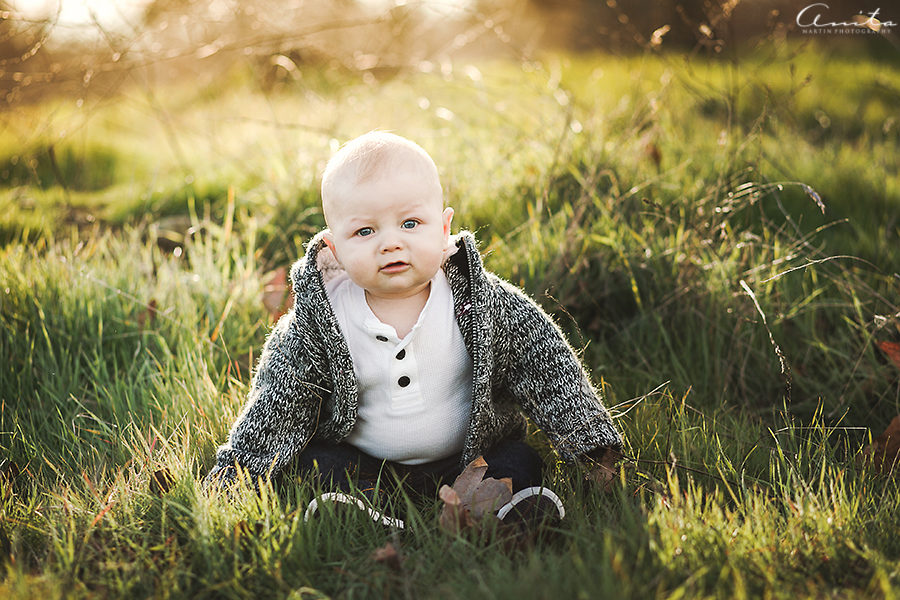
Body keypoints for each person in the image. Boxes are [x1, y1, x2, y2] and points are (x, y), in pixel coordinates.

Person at [207, 131, 623, 529]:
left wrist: (592, 447)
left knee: (518, 458)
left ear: (443, 230)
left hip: (471, 459)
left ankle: (508, 510)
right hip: (369, 463)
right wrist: (238, 470)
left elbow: (548, 367)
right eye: (365, 231)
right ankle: (365, 511)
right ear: (334, 248)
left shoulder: (483, 304)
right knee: (319, 463)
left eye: (410, 224)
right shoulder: (319, 323)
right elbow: (277, 403)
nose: (390, 243)